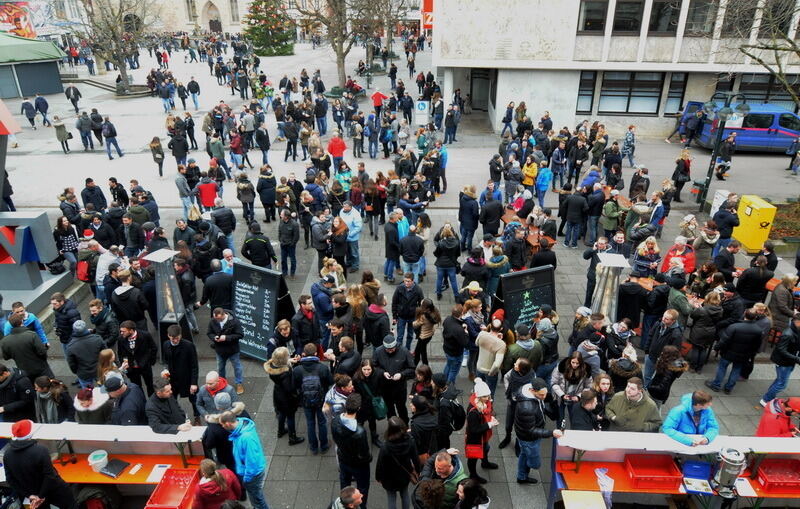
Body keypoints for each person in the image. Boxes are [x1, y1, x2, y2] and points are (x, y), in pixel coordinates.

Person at [4, 419, 77, 509]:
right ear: (30, 434)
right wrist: (41, 496)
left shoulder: (7, 454)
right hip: (53, 490)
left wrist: (29, 495)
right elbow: (50, 476)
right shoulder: (41, 450)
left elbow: (10, 480)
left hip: (33, 494)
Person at [514, 378, 562, 484]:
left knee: (524, 454)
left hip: (525, 435)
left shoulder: (533, 396)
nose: (543, 397)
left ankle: (521, 477)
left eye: (545, 394)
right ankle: (523, 475)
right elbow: (531, 430)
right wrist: (551, 433)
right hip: (529, 438)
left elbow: (540, 408)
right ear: (532, 390)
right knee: (535, 463)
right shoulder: (527, 408)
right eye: (541, 395)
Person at [219, 411, 270, 509]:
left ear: (228, 423)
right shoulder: (240, 428)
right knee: (256, 497)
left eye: (222, 425)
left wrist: (247, 478)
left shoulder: (246, 438)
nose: (222, 427)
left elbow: (252, 462)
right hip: (250, 472)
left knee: (257, 499)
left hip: (252, 475)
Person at [706, 309, 763, 394]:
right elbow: (756, 345)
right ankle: (728, 388)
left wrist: (716, 348)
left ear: (744, 314)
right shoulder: (758, 330)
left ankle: (716, 385)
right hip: (744, 355)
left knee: (722, 367)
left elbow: (724, 340)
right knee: (736, 370)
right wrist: (751, 354)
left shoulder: (734, 327)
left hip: (728, 352)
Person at [332, 393, 373, 509]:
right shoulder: (359, 432)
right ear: (358, 409)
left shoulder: (335, 421)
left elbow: (335, 439)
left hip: (343, 459)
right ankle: (360, 506)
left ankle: (345, 503)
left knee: (344, 483)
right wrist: (369, 458)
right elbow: (364, 454)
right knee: (363, 487)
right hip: (358, 465)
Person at [294, 342, 334, 454]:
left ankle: (313, 447)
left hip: (305, 401)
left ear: (303, 354)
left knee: (310, 423)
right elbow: (330, 382)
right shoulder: (322, 368)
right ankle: (324, 445)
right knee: (322, 422)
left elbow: (295, 385)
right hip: (321, 400)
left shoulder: (298, 370)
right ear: (316, 353)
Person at [375, 415, 419, 509]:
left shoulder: (385, 447)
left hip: (389, 477)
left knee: (391, 498)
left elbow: (380, 464)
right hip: (404, 473)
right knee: (404, 494)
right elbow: (415, 458)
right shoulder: (410, 441)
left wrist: (378, 477)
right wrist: (418, 471)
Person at [265, 347, 305, 445]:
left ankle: (281, 430)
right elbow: (290, 388)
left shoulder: (272, 366)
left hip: (278, 394)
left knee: (281, 413)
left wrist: (289, 361)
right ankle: (292, 438)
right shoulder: (285, 373)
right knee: (290, 417)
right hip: (287, 399)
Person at [162, 324, 200, 420]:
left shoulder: (189, 346)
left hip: (187, 379)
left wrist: (193, 383)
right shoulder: (166, 344)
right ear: (168, 336)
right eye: (173, 338)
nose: (175, 340)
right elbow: (165, 360)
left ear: (181, 335)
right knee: (172, 400)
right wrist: (165, 369)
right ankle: (176, 417)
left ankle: (197, 417)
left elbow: (194, 366)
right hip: (173, 380)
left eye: (177, 338)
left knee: (194, 401)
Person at [1, 313, 52, 381]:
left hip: (24, 370)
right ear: (22, 321)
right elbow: (42, 352)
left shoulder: (5, 341)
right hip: (41, 368)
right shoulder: (32, 335)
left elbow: (6, 357)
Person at [207, 308, 245, 395]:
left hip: (233, 349)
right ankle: (222, 383)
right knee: (220, 368)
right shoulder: (213, 321)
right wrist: (214, 338)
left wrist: (226, 338)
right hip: (220, 350)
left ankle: (239, 383)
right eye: (215, 318)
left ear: (224, 315)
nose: (216, 320)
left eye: (219, 319)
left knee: (237, 367)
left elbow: (240, 335)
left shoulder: (235, 322)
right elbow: (209, 333)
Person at [118, 320, 157, 396]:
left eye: (123, 331)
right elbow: (120, 353)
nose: (121, 333)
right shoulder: (121, 339)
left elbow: (153, 348)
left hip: (145, 365)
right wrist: (124, 364)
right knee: (136, 387)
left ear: (131, 330)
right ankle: (141, 401)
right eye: (121, 331)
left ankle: (152, 401)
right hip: (132, 368)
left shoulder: (145, 335)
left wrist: (151, 362)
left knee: (149, 384)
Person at [66, 320, 105, 388]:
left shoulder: (70, 346)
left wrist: (77, 371)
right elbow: (105, 353)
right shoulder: (97, 339)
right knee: (103, 388)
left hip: (84, 373)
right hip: (99, 369)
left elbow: (72, 364)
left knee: (88, 393)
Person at [393, 273, 425, 350]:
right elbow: (394, 303)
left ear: (413, 281)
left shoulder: (418, 290)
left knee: (410, 335)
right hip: (401, 316)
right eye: (405, 281)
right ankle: (399, 350)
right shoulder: (399, 288)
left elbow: (422, 304)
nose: (406, 283)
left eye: (408, 281)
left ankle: (407, 349)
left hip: (412, 316)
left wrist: (419, 316)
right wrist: (394, 316)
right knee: (400, 335)